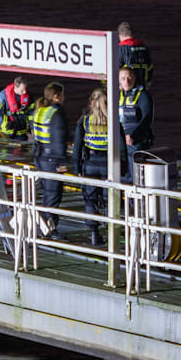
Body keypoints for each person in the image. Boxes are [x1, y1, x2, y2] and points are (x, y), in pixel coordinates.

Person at [73, 88, 120, 246]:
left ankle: (94, 233)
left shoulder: (85, 121)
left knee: (90, 199)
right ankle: (110, 231)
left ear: (92, 103)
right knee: (109, 199)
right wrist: (123, 168)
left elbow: (77, 147)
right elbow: (121, 147)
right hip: (108, 165)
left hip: (90, 165)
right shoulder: (113, 122)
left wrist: (77, 168)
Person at [31, 82, 69, 239]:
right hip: (53, 160)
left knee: (47, 194)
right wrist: (62, 162)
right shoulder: (56, 112)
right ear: (56, 96)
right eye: (63, 95)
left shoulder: (40, 110)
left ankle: (45, 227)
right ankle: (50, 229)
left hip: (41, 158)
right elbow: (59, 138)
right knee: (54, 195)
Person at [118, 66, 154, 179]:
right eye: (123, 78)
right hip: (120, 141)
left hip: (135, 142)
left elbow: (147, 118)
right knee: (120, 174)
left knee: (136, 176)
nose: (126, 81)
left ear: (134, 78)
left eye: (129, 78)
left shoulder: (143, 95)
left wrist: (133, 136)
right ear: (118, 80)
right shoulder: (116, 94)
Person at [0, 76, 32, 140]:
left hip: (21, 131)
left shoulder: (28, 96)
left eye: (25, 89)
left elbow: (31, 112)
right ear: (16, 87)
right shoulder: (3, 95)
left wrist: (32, 126)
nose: (24, 92)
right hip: (7, 130)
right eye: (22, 90)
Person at [117, 21, 154, 87]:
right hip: (143, 86)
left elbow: (117, 68)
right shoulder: (144, 47)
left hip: (128, 86)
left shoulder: (121, 48)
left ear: (120, 35)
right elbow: (150, 66)